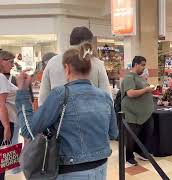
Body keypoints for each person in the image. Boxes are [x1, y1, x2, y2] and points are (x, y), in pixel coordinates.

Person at [15, 42, 118, 180]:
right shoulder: (104, 96)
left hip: (70, 170)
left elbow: (28, 129)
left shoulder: (60, 94)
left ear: (67, 68)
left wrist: (22, 93)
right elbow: (113, 133)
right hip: (100, 168)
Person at [39, 26, 111, 106]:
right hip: (90, 115)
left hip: (59, 115)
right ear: (90, 43)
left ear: (70, 41)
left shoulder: (52, 62)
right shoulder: (97, 63)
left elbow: (43, 99)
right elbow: (107, 98)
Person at [120, 56, 155, 166]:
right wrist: (146, 90)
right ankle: (129, 157)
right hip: (132, 114)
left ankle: (141, 152)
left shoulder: (140, 77)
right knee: (131, 136)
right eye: (143, 65)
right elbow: (130, 93)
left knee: (147, 132)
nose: (144, 68)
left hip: (145, 113)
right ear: (136, 64)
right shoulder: (129, 77)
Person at [0, 51, 16, 180]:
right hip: (4, 122)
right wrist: (6, 127)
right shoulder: (0, 77)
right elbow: (1, 104)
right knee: (2, 162)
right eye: (10, 62)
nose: (12, 65)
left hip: (5, 120)